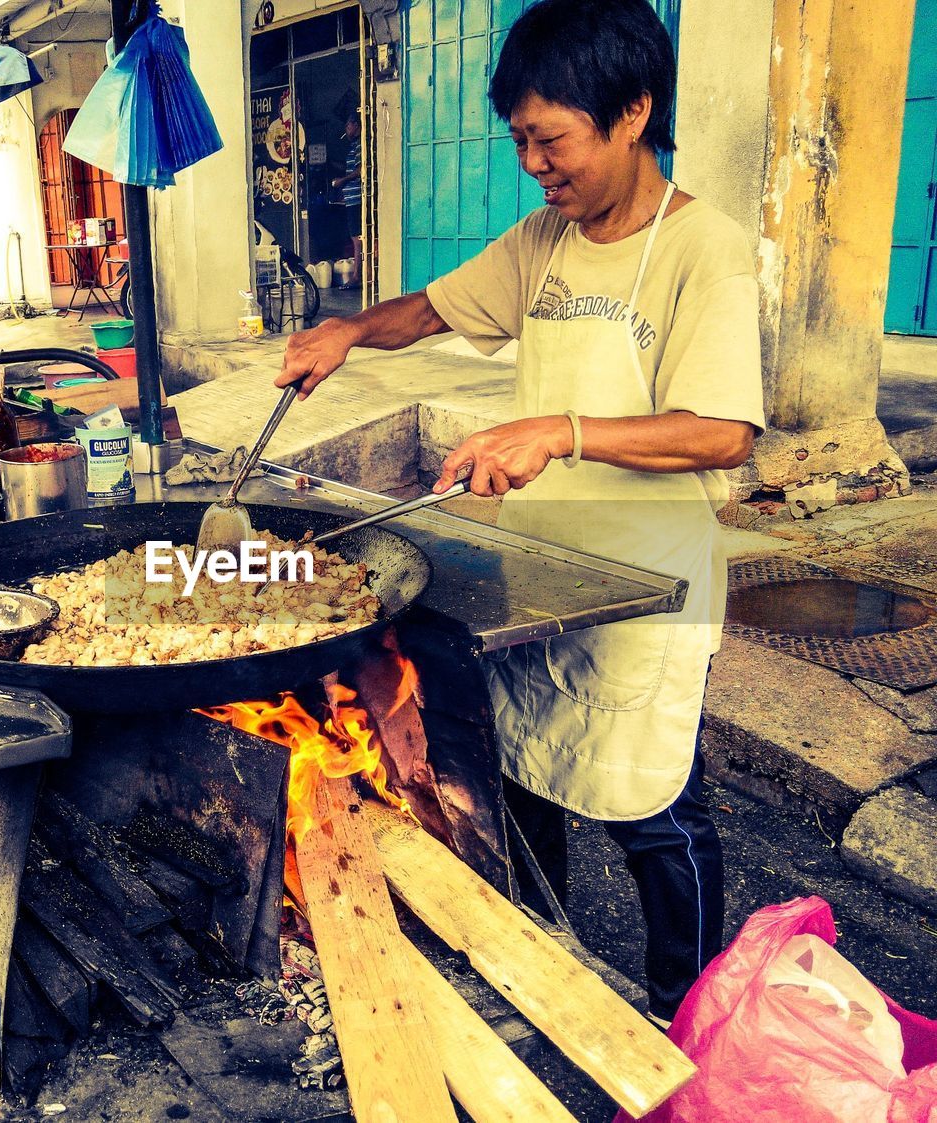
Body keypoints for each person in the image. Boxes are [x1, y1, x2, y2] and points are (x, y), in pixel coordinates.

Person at [276, 0, 765, 1027]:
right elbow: (437, 308)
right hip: (539, 575)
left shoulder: (703, 252)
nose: (534, 164)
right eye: (519, 142)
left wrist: (558, 430)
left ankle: (686, 1014)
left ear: (630, 113)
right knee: (527, 766)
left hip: (645, 584)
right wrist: (349, 331)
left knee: (652, 808)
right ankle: (540, 953)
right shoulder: (543, 239)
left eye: (551, 140)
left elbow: (722, 432)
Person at [331, 108, 363, 286]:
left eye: (347, 125)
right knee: (356, 237)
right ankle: (358, 274)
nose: (346, 129)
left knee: (356, 238)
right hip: (352, 198)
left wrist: (342, 181)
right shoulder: (354, 145)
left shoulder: (360, 145)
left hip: (357, 198)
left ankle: (356, 276)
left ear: (355, 125)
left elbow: (361, 170)